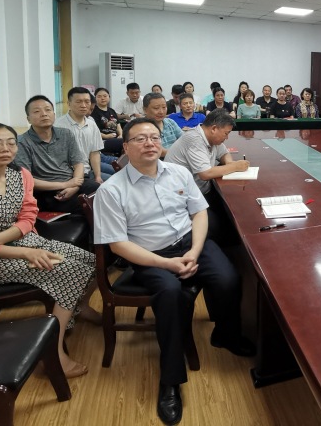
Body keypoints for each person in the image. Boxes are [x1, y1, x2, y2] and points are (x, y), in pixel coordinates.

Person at [94, 118, 254, 425]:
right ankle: (170, 380)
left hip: (190, 243)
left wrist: (194, 251)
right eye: (140, 139)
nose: (150, 143)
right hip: (150, 255)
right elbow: (118, 245)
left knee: (228, 278)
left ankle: (226, 335)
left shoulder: (178, 172)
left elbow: (199, 212)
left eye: (154, 137)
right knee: (170, 294)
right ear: (125, 146)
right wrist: (167, 264)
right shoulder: (112, 190)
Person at [0, 123, 96, 378]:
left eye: (11, 143)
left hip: (25, 243)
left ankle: (77, 307)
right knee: (70, 271)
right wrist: (18, 249)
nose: (5, 148)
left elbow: (28, 217)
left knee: (92, 261)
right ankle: (53, 352)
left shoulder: (21, 175)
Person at [165, 110, 250, 245]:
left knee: (236, 210)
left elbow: (224, 153)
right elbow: (205, 174)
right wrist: (235, 167)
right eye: (226, 133)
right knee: (220, 227)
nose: (227, 137)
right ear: (214, 128)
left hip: (202, 190)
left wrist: (229, 163)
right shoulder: (194, 139)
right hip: (183, 198)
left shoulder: (211, 138)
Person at [14, 95, 99, 213]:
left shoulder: (65, 134)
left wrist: (74, 185)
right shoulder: (21, 142)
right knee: (88, 206)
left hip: (73, 182)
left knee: (103, 191)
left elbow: (78, 163)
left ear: (54, 114)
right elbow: (27, 180)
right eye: (37, 111)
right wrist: (65, 185)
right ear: (28, 119)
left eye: (48, 110)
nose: (44, 114)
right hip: (48, 191)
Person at [55, 87, 111, 182]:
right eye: (79, 102)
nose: (84, 105)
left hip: (88, 172)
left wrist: (98, 176)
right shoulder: (58, 126)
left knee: (117, 183)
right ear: (69, 104)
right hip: (68, 176)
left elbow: (94, 153)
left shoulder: (91, 124)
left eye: (87, 101)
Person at [143, 93, 183, 157]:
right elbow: (159, 151)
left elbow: (184, 140)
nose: (161, 112)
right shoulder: (142, 128)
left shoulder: (170, 122)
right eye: (156, 108)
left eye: (164, 107)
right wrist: (180, 154)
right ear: (145, 110)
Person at [92, 87, 123, 157]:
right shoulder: (93, 112)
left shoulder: (112, 111)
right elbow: (93, 131)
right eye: (99, 96)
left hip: (116, 139)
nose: (102, 98)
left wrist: (120, 135)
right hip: (102, 141)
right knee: (124, 142)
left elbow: (118, 126)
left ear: (109, 97)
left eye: (105, 96)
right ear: (95, 98)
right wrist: (106, 136)